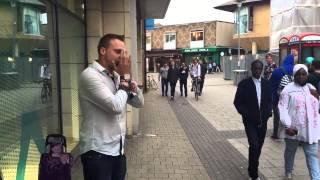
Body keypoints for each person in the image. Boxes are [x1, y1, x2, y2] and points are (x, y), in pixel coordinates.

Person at [79, 34, 144, 180]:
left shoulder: (116, 76)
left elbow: (139, 103)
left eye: (124, 53)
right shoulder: (90, 76)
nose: (122, 57)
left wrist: (130, 83)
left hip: (118, 150)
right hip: (97, 153)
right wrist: (125, 80)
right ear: (103, 51)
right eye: (118, 52)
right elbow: (115, 106)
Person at [278, 64, 320, 179]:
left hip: (310, 130)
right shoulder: (288, 89)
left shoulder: (311, 88)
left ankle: (316, 178)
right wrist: (287, 125)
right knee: (290, 152)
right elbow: (282, 108)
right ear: (294, 75)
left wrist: (318, 97)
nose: (301, 77)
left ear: (307, 75)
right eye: (298, 74)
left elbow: (317, 108)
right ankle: (288, 172)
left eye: (303, 74)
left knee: (312, 155)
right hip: (293, 129)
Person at [234, 60, 272, 180]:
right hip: (250, 121)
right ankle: (254, 174)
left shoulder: (266, 83)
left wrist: (268, 112)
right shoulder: (244, 84)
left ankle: (252, 166)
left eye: (259, 69)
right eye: (255, 68)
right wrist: (246, 114)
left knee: (258, 147)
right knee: (254, 145)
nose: (257, 71)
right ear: (251, 69)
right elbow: (237, 102)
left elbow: (270, 100)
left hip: (263, 121)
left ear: (262, 69)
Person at [269, 54, 295, 140]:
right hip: (291, 99)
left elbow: (271, 84)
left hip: (277, 98)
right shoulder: (295, 70)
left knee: (277, 116)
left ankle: (276, 134)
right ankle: (291, 132)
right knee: (291, 115)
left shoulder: (277, 70)